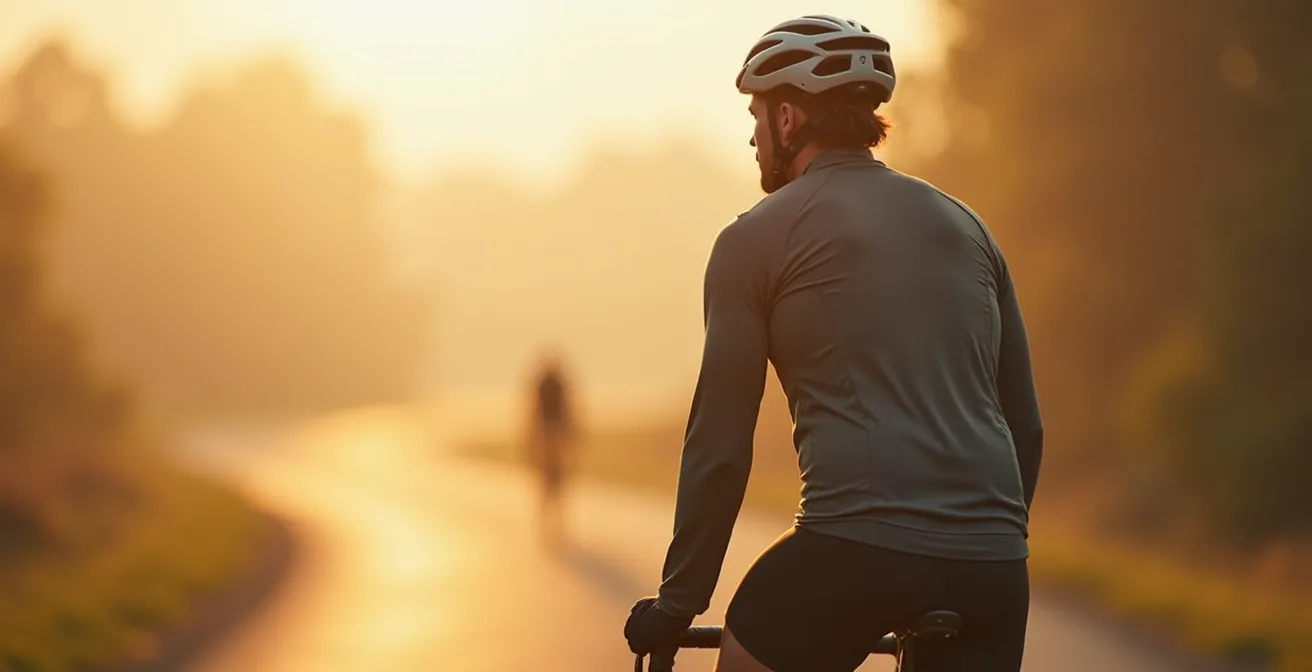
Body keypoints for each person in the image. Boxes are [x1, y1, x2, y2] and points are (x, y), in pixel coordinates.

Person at [623, 14, 1044, 672]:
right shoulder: (970, 229)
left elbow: (720, 447)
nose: (752, 136)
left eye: (757, 115)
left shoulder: (752, 242)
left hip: (853, 551)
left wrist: (677, 605)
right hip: (993, 568)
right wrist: (979, 540)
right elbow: (1025, 426)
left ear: (788, 119)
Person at [526, 350, 576, 546]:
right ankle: (553, 518)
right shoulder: (557, 384)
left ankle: (548, 518)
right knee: (555, 475)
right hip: (553, 433)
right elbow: (567, 410)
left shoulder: (544, 384)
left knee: (548, 476)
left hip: (547, 432)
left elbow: (534, 410)